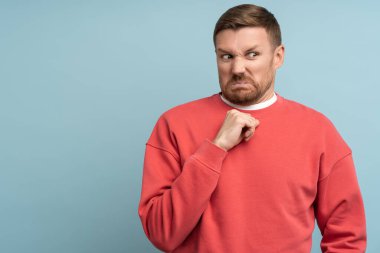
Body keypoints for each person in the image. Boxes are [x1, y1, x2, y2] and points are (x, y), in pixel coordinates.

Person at [138, 4, 367, 253]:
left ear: (278, 56)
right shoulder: (174, 124)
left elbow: (347, 238)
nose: (237, 69)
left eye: (252, 55)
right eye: (227, 56)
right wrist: (215, 149)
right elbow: (161, 233)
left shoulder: (318, 131)